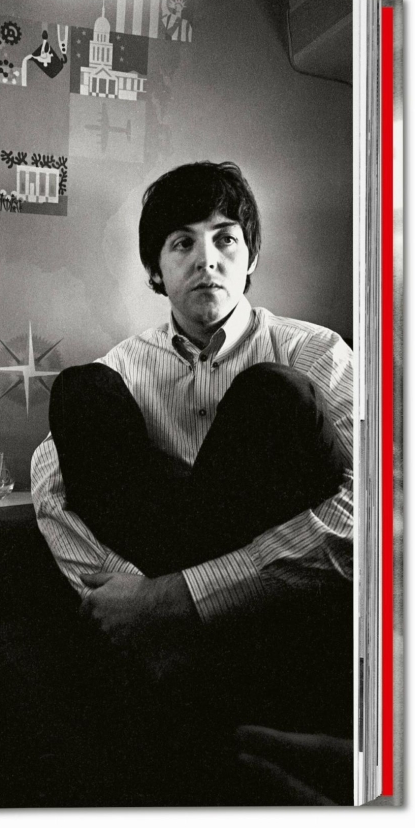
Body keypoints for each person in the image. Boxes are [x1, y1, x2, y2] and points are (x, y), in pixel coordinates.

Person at [29, 161, 354, 799]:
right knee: (81, 390)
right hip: (153, 614)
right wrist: (130, 601)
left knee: (275, 394)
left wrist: (183, 598)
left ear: (250, 256)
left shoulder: (317, 351)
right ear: (156, 269)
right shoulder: (122, 369)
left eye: (225, 238)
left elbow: (378, 505)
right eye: (183, 243)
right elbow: (51, 492)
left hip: (278, 611)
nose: (207, 259)